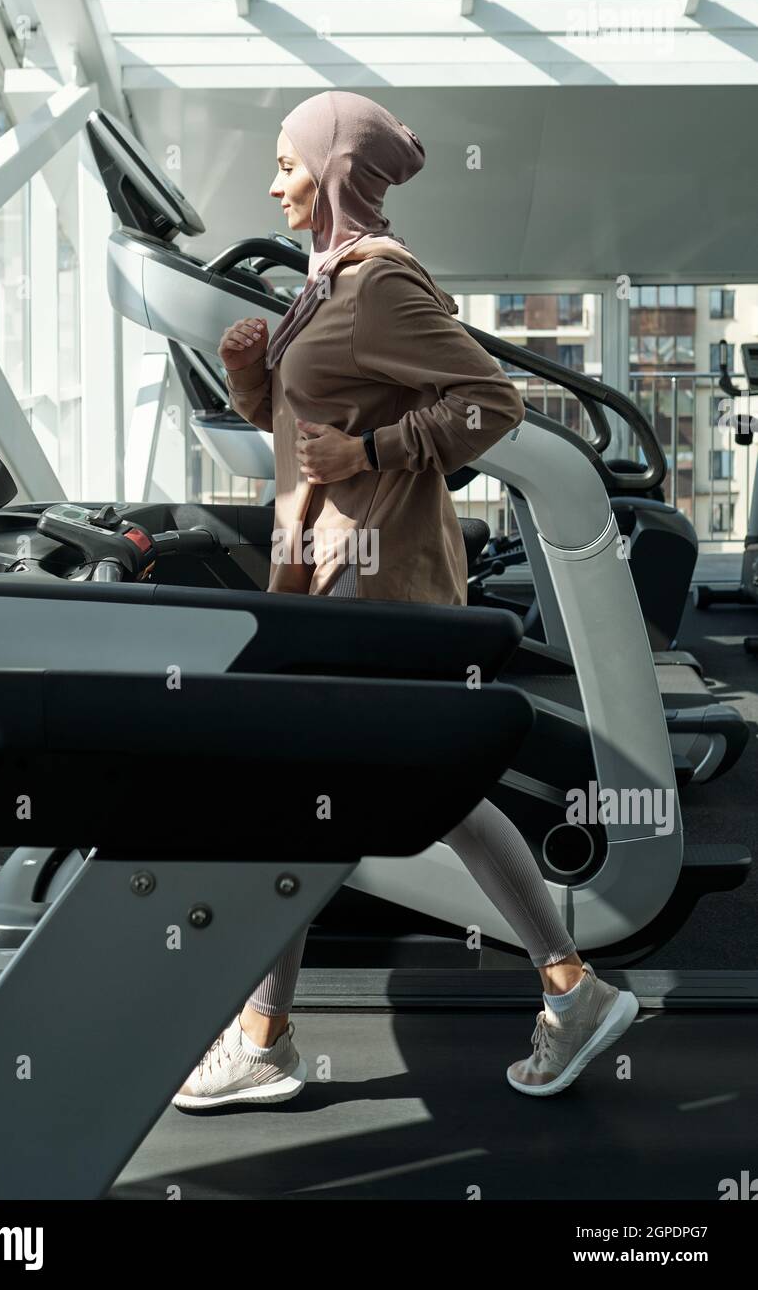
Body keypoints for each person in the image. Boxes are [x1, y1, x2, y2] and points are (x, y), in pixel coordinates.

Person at [173, 90, 638, 1110]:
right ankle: (567, 987)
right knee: (403, 795)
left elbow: (489, 401)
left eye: (286, 163)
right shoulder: (324, 283)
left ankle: (267, 1034)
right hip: (325, 573)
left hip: (371, 580)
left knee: (312, 797)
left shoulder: (378, 282)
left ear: (334, 170)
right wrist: (252, 381)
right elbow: (316, 424)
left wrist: (378, 449)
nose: (272, 182)